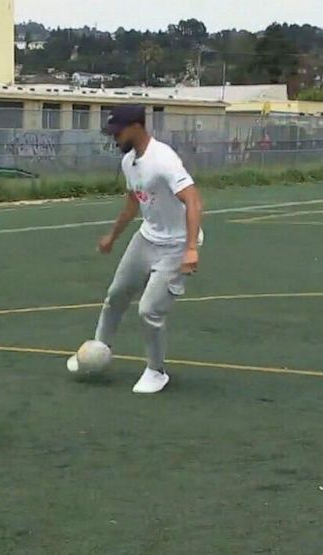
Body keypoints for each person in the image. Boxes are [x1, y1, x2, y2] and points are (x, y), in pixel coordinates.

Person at [68, 105, 204, 393]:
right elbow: (134, 202)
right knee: (116, 295)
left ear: (136, 127)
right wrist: (113, 236)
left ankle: (156, 371)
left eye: (118, 133)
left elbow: (193, 201)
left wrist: (191, 248)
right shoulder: (129, 161)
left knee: (149, 311)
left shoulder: (163, 160)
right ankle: (97, 351)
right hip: (146, 239)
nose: (114, 139)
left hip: (176, 245)